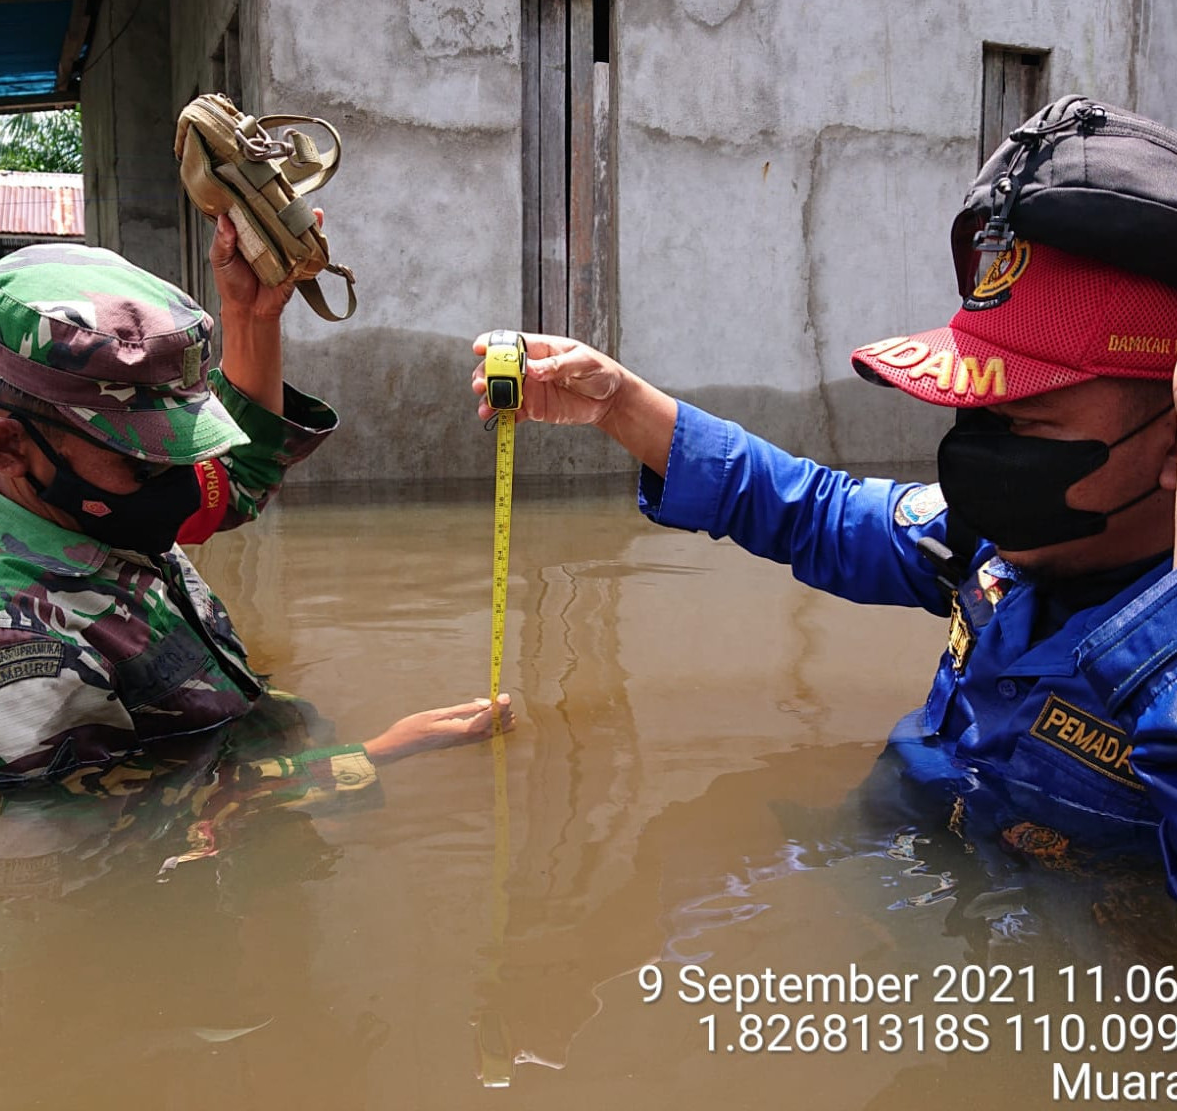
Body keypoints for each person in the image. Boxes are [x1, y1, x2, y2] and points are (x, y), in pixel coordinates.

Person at [473, 236, 1177, 895]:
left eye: (1026, 424)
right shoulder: (990, 539)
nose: (984, 460)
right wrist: (620, 404)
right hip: (895, 870)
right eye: (977, 416)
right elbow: (812, 510)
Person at [0, 213, 512, 802]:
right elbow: (117, 844)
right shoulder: (16, 642)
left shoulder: (87, 502)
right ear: (9, 447)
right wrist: (377, 755)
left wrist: (253, 315)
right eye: (148, 459)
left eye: (188, 446)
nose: (186, 480)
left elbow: (236, 480)